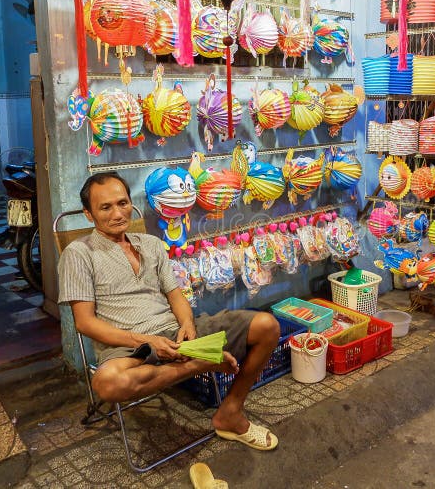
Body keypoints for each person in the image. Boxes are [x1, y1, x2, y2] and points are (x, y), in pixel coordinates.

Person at [58, 172, 281, 451]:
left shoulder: (151, 244)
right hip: (129, 348)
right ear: (88, 214)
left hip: (177, 334)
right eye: (106, 207)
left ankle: (230, 411)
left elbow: (175, 294)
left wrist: (187, 323)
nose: (118, 213)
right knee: (107, 384)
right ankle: (203, 362)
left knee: (267, 326)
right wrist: (146, 341)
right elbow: (85, 323)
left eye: (123, 203)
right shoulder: (79, 253)